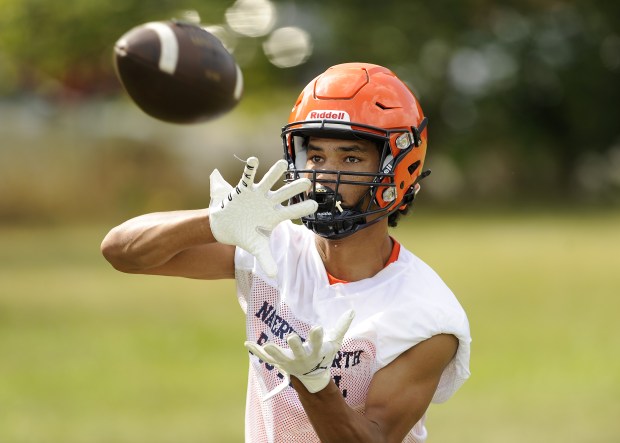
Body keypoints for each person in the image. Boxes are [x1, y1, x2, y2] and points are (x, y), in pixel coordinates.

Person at [101, 62, 471, 443]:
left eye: (351, 158)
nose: (326, 175)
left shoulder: (426, 314)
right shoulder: (273, 246)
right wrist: (213, 222)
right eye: (316, 157)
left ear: (398, 169)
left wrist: (315, 384)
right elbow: (121, 251)